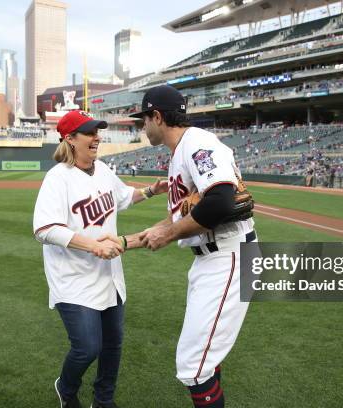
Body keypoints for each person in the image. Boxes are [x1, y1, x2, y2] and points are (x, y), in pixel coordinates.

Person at [123, 85, 256, 408]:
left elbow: (222, 201)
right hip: (214, 257)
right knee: (202, 360)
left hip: (229, 255)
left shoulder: (196, 142)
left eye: (144, 119)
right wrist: (132, 241)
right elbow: (189, 215)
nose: (143, 126)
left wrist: (168, 235)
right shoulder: (181, 151)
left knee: (193, 365)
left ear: (158, 116)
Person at [33, 110, 168, 408]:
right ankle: (66, 390)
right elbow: (44, 229)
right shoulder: (58, 178)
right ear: (70, 139)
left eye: (98, 131)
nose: (97, 137)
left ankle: (103, 401)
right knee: (86, 348)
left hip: (109, 276)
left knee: (112, 346)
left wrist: (149, 191)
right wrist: (92, 246)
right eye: (89, 132)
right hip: (73, 278)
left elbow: (122, 197)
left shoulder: (103, 169)